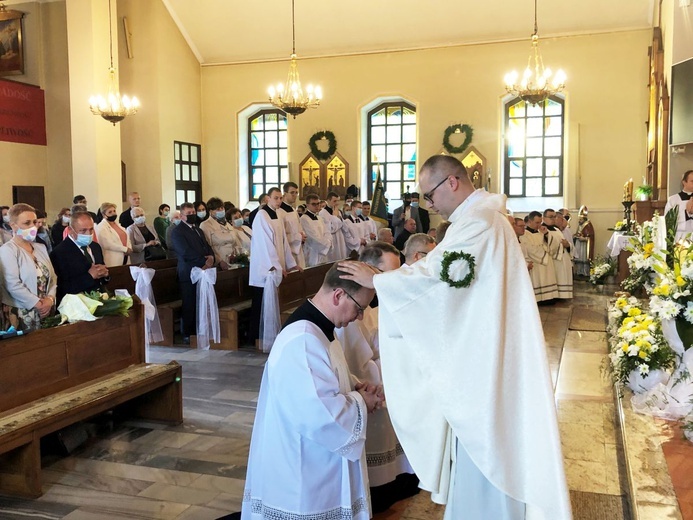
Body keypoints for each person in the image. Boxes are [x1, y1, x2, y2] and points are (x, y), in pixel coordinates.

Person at [339, 155, 571, 520]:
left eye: (429, 195)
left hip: (483, 357)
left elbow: (436, 283)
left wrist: (379, 280)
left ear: (452, 182)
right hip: (481, 347)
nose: (428, 205)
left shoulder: (478, 224)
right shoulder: (477, 221)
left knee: (487, 443)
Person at [241, 262, 382, 520]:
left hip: (314, 463)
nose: (360, 316)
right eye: (359, 308)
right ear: (339, 295)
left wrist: (353, 384)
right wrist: (362, 401)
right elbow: (320, 413)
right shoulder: (303, 339)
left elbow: (325, 376)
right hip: (302, 472)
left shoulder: (319, 328)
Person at [335, 243, 418, 513]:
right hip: (376, 390)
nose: (392, 282)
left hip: (397, 383)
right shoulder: (356, 310)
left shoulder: (384, 303)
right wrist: (392, 370)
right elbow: (358, 362)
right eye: (386, 275)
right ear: (368, 271)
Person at [249, 187, 300, 348]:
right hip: (265, 269)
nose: (278, 201)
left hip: (275, 267)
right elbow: (266, 246)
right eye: (275, 198)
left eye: (280, 198)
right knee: (260, 302)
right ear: (267, 199)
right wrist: (276, 267)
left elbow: (283, 242)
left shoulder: (277, 214)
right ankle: (255, 337)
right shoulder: (261, 216)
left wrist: (290, 264)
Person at [0, 203, 57, 332]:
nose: (33, 226)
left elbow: (52, 278)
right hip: (22, 311)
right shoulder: (7, 250)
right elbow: (12, 284)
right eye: (27, 223)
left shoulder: (40, 247)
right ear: (13, 225)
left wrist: (50, 299)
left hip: (46, 309)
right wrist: (38, 304)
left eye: (35, 222)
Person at [169, 202, 214, 344]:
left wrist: (211, 257)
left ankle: (200, 329)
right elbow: (184, 252)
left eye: (193, 212)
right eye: (189, 214)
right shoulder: (177, 232)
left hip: (202, 271)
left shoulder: (198, 230)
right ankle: (188, 333)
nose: (192, 215)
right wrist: (203, 262)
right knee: (189, 303)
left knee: (200, 301)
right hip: (188, 272)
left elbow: (206, 246)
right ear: (182, 216)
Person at [50, 212, 109, 303]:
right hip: (77, 304)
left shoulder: (95, 247)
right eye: (83, 230)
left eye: (91, 229)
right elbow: (62, 287)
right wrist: (90, 276)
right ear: (70, 230)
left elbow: (102, 273)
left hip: (99, 299)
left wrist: (105, 275)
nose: (88, 234)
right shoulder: (59, 253)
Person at [523, 211, 560, 302]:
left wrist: (546, 234)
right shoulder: (524, 234)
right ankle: (539, 299)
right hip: (537, 263)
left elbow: (554, 244)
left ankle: (549, 297)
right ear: (530, 221)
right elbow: (529, 249)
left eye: (540, 222)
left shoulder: (542, 232)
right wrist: (545, 252)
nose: (539, 224)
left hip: (546, 262)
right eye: (536, 222)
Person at [200, 197, 240, 269]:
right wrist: (219, 261)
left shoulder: (227, 224)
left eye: (222, 208)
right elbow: (208, 247)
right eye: (218, 209)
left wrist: (237, 255)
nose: (221, 211)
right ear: (210, 211)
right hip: (219, 262)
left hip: (233, 260)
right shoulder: (206, 225)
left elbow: (234, 242)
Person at [543, 209, 572, 299]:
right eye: (550, 217)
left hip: (563, 257)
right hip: (555, 259)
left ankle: (563, 295)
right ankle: (557, 295)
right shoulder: (543, 230)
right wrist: (561, 245)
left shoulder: (556, 229)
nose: (553, 219)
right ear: (544, 218)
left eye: (554, 216)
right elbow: (546, 245)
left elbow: (564, 242)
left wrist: (567, 245)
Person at [95, 203, 133, 267]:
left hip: (125, 257)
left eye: (114, 211)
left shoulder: (118, 225)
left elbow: (127, 238)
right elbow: (107, 244)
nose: (113, 213)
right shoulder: (101, 227)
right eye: (110, 212)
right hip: (113, 259)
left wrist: (129, 248)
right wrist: (124, 249)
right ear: (104, 215)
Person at [279, 181, 306, 268]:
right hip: (288, 251)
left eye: (296, 193)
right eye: (292, 193)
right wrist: (298, 237)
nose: (294, 195)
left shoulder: (294, 210)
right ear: (285, 194)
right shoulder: (279, 211)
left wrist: (302, 235)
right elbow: (281, 236)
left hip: (298, 248)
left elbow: (299, 227)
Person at [300, 194, 331, 267]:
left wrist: (328, 241)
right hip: (312, 253)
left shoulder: (319, 218)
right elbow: (313, 237)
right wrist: (327, 244)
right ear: (307, 205)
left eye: (318, 204)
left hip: (323, 252)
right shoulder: (304, 219)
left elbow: (327, 232)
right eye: (313, 204)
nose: (317, 206)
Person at [320, 191, 349, 262]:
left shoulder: (338, 211)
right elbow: (330, 229)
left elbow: (343, 226)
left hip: (340, 238)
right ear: (328, 201)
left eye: (338, 201)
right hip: (332, 240)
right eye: (334, 201)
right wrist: (335, 217)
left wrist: (338, 218)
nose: (337, 203)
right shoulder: (322, 213)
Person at [665, 170, 693, 240]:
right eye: (692, 181)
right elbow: (668, 220)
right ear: (684, 182)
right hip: (680, 236)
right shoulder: (673, 200)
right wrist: (687, 213)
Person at [573, 205, 595, 278]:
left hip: (585, 245)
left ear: (584, 218)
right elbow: (578, 232)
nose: (579, 221)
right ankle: (579, 272)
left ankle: (585, 272)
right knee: (579, 258)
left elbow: (590, 236)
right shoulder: (580, 225)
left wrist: (585, 239)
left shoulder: (588, 225)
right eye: (579, 219)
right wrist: (576, 236)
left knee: (584, 258)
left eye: (581, 219)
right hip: (579, 244)